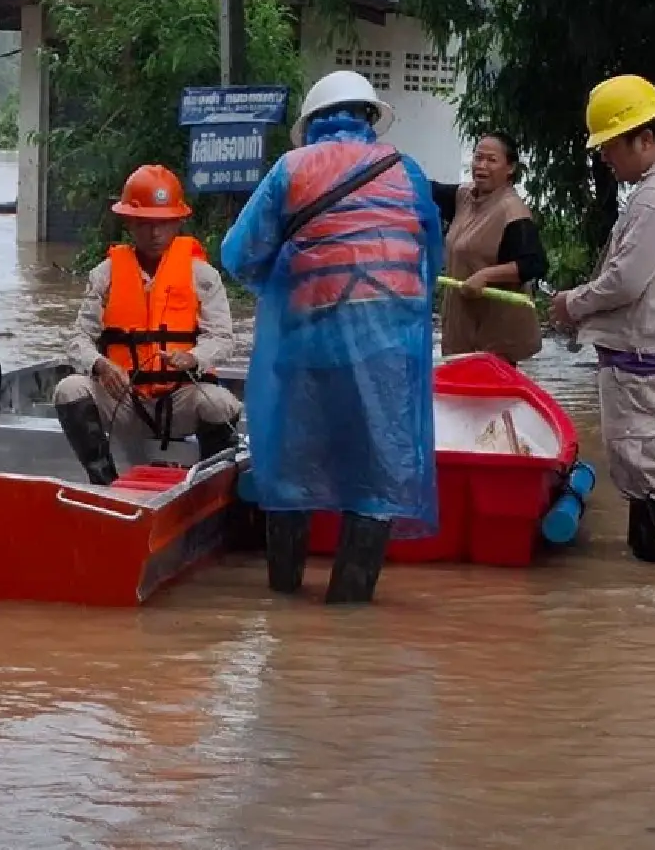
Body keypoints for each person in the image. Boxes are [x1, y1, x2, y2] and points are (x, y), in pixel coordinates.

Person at [221, 70, 443, 604]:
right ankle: (349, 612)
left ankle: (284, 604)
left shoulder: (291, 168)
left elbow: (238, 254)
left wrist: (285, 282)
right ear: (369, 119)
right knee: (377, 476)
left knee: (293, 468)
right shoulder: (407, 171)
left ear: (314, 121)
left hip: (310, 346)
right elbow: (430, 261)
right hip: (388, 353)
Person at [549, 76, 655, 563]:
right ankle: (650, 596)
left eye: (609, 147)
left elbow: (624, 281)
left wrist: (572, 304)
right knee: (650, 472)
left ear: (642, 137)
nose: (604, 158)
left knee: (650, 477)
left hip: (650, 355)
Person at [54, 165, 242, 486]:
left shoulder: (203, 276)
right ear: (129, 223)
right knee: (69, 389)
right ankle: (105, 482)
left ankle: (211, 487)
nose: (155, 234)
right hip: (125, 401)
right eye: (145, 224)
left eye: (164, 224)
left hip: (181, 400)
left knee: (223, 404)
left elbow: (223, 339)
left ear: (179, 222)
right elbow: (78, 340)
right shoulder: (106, 274)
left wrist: (194, 358)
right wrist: (100, 365)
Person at [431, 131, 547, 363]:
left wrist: (486, 275)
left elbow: (534, 264)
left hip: (495, 339)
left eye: (491, 160)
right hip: (463, 331)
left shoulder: (512, 211)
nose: (481, 165)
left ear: (510, 168)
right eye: (477, 158)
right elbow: (427, 190)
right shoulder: (464, 197)